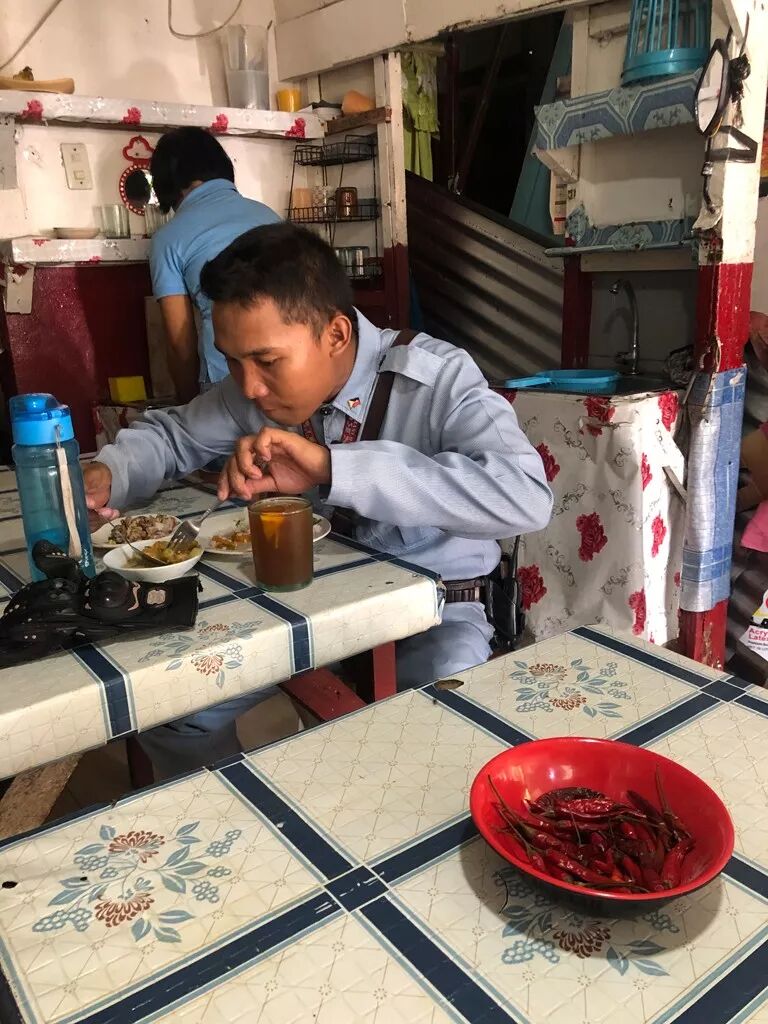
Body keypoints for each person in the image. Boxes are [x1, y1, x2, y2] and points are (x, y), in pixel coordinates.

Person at [85, 224, 553, 777]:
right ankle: (234, 820)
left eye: (267, 361)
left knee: (440, 741)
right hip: (308, 607)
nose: (249, 386)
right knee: (175, 714)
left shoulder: (437, 378)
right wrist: (109, 474)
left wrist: (334, 469)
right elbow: (172, 436)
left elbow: (525, 496)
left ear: (334, 334)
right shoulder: (253, 392)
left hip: (436, 613)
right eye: (232, 361)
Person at [149, 126, 281, 403]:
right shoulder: (269, 215)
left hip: (228, 378)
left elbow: (180, 342)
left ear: (169, 185)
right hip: (288, 371)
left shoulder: (168, 238)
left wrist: (188, 409)